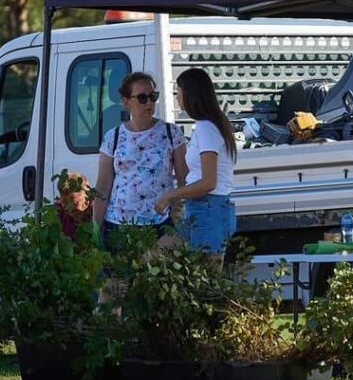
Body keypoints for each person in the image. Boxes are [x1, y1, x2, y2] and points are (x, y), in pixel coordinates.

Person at [93, 71, 186, 243]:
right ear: (126, 101)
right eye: (142, 98)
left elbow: (184, 180)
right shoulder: (112, 137)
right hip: (118, 225)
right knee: (119, 270)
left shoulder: (171, 133)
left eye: (153, 96)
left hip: (160, 224)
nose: (149, 102)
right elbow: (103, 185)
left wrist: (176, 219)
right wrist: (95, 228)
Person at [155, 67, 238, 257]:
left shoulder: (206, 128)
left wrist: (171, 195)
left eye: (179, 91)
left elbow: (209, 182)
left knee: (206, 280)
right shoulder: (212, 124)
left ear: (190, 94)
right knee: (156, 255)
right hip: (205, 209)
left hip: (207, 209)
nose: (177, 97)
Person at [55, 170, 93, 240]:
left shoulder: (96, 211)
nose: (67, 206)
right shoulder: (58, 213)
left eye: (72, 199)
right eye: (63, 201)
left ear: (85, 194)